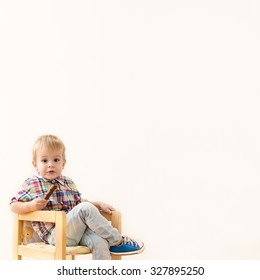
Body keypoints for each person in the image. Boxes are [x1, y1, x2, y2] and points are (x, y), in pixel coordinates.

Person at [10, 134, 144, 260]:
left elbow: (80, 205)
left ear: (63, 163)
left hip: (76, 232)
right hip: (55, 235)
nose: (50, 164)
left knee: (101, 242)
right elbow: (13, 205)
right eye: (44, 160)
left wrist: (98, 204)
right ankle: (118, 241)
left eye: (56, 160)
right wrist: (31, 205)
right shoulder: (32, 184)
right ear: (35, 165)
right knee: (86, 208)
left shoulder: (68, 183)